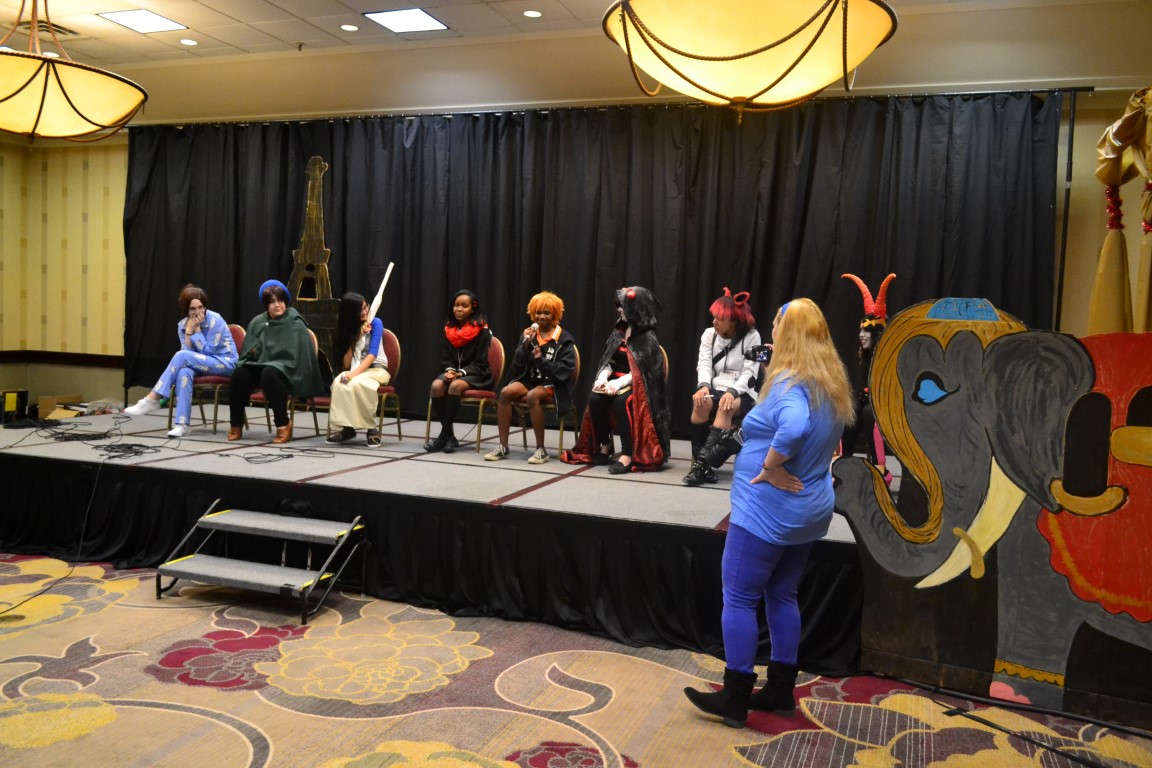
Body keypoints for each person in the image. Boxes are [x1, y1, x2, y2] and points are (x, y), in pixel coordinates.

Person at [683, 298, 855, 729]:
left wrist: (770, 466)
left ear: (788, 333)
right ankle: (780, 688)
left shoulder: (791, 384)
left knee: (740, 596)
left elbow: (793, 428)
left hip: (768, 513)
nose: (772, 329)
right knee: (782, 593)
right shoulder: (829, 382)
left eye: (777, 324)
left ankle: (735, 696)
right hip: (806, 510)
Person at [561, 286, 669, 473]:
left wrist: (620, 383)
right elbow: (609, 360)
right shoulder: (618, 332)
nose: (619, 310)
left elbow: (645, 373)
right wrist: (603, 376)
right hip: (613, 382)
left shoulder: (648, 338)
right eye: (619, 306)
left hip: (638, 386)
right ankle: (606, 444)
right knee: (595, 399)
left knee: (621, 402)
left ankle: (627, 453)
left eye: (623, 307)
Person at [125, 284, 239, 437]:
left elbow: (209, 352)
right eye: (193, 309)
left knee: (181, 356)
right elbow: (188, 356)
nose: (198, 312)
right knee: (184, 372)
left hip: (225, 363)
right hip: (201, 364)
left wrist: (196, 330)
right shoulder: (182, 325)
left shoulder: (215, 320)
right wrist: (189, 330)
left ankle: (153, 398)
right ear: (186, 310)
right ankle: (182, 424)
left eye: (201, 307)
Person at [227, 280, 325, 444]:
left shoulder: (295, 322)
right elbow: (249, 352)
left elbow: (298, 355)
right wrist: (255, 352)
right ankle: (236, 424)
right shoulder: (258, 322)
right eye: (272, 302)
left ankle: (283, 424)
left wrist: (268, 354)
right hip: (261, 364)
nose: (277, 305)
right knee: (239, 374)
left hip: (288, 369)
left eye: (280, 300)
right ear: (266, 305)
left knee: (269, 373)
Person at [484, 291, 577, 464]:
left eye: (546, 313)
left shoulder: (564, 340)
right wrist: (525, 344)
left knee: (532, 396)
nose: (541, 316)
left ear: (555, 315)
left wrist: (541, 361)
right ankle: (503, 446)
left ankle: (541, 449)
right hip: (530, 380)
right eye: (538, 312)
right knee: (505, 392)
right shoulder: (530, 335)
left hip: (552, 383)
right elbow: (517, 366)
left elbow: (564, 371)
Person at [683, 288, 763, 486]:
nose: (714, 322)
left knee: (725, 406)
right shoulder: (709, 335)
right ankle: (702, 466)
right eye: (714, 317)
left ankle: (701, 466)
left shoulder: (752, 336)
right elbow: (704, 364)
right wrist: (703, 386)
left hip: (742, 392)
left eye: (720, 318)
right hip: (716, 387)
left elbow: (750, 373)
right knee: (700, 403)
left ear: (733, 321)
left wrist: (732, 392)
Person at [839, 273, 895, 486]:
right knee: (851, 411)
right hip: (874, 400)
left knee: (870, 414)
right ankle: (844, 464)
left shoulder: (890, 355)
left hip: (891, 406)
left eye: (867, 331)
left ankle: (881, 470)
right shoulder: (865, 355)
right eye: (861, 330)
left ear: (878, 334)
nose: (861, 335)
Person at [425, 290, 493, 453]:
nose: (459, 309)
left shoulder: (482, 330)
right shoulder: (449, 329)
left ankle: (443, 437)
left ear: (473, 308)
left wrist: (460, 373)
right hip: (454, 372)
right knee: (436, 386)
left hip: (478, 374)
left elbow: (480, 362)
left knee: (455, 386)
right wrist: (449, 370)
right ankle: (450, 437)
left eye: (464, 306)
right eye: (456, 305)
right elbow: (445, 358)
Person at [326, 291, 390, 447]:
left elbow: (372, 354)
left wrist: (352, 375)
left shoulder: (376, 323)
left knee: (358, 383)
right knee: (338, 383)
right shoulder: (347, 329)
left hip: (376, 370)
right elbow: (346, 364)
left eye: (365, 307)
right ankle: (347, 429)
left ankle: (371, 430)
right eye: (360, 309)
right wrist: (356, 337)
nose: (364, 312)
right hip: (355, 370)